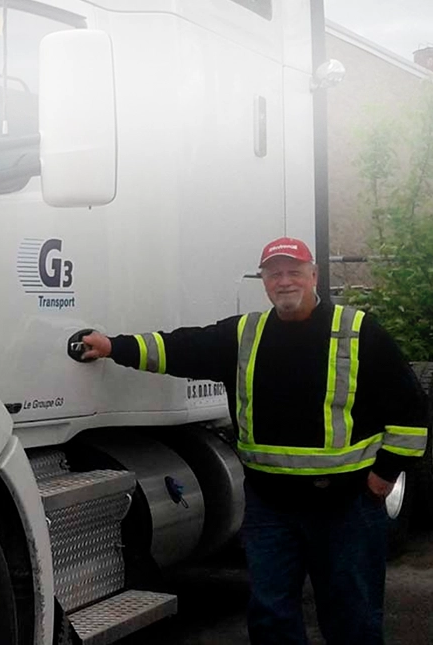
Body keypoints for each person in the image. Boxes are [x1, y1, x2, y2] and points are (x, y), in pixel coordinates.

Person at [76, 236, 429, 645]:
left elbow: (410, 408)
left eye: (294, 272)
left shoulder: (357, 331)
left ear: (313, 275)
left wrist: (385, 474)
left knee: (352, 616)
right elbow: (179, 347)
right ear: (263, 282)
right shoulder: (246, 333)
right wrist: (113, 346)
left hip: (344, 507)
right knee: (272, 615)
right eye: (274, 274)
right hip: (272, 509)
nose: (284, 281)